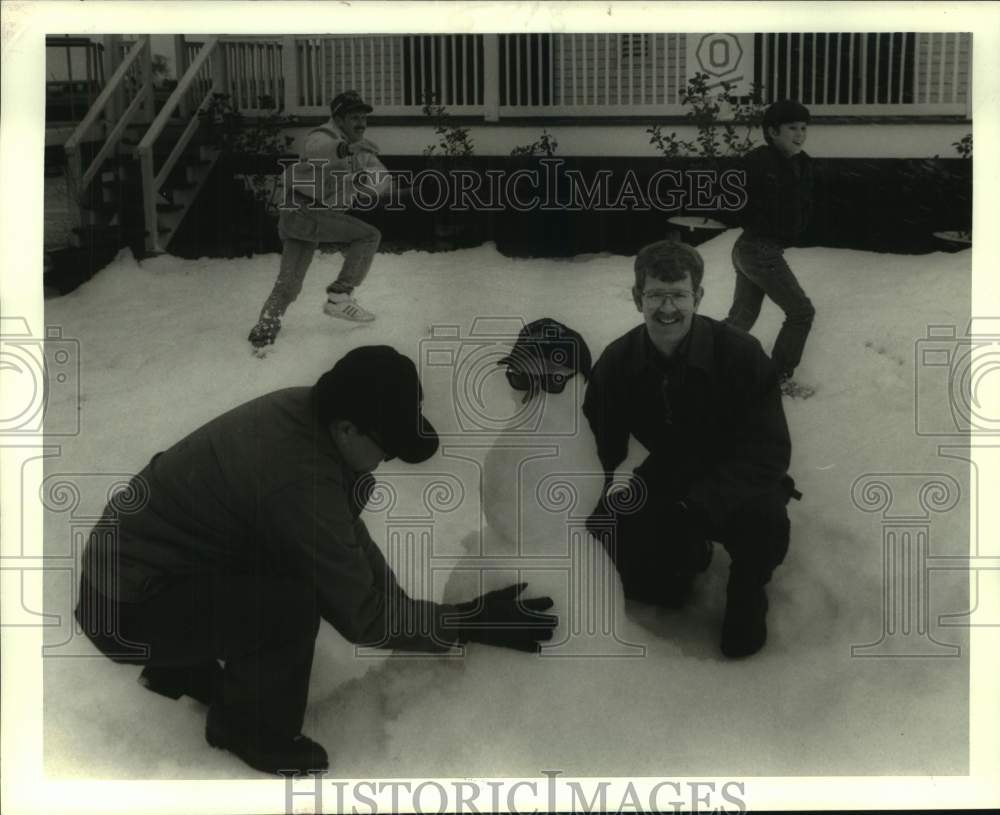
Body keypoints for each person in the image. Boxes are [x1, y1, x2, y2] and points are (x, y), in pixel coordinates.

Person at [75, 345, 557, 775]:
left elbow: (343, 543)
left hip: (142, 575)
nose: (388, 459)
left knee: (288, 566)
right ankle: (246, 729)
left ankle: (179, 664)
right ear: (348, 428)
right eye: (386, 446)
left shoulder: (310, 415)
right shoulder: (298, 480)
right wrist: (465, 623)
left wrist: (418, 613)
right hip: (126, 608)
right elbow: (362, 617)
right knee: (289, 609)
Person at [583, 240, 798, 658]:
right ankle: (684, 558)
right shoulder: (618, 361)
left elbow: (769, 451)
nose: (667, 308)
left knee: (766, 525)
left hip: (738, 478)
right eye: (655, 296)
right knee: (648, 581)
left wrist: (699, 505)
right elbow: (600, 447)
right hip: (667, 476)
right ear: (637, 298)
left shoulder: (741, 354)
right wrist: (601, 511)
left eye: (679, 295)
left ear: (697, 297)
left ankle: (747, 587)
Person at [248, 90, 391, 352]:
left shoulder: (362, 149)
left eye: (363, 118)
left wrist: (367, 182)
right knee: (369, 236)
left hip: (301, 217)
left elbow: (382, 177)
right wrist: (347, 149)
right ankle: (339, 295)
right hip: (304, 211)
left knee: (289, 283)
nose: (361, 123)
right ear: (338, 119)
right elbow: (318, 152)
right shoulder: (324, 136)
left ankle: (264, 331)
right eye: (354, 117)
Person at [725, 99, 815, 397]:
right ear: (772, 132)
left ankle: (703, 357)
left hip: (753, 250)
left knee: (742, 319)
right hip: (759, 249)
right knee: (801, 312)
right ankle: (778, 378)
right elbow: (735, 199)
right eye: (792, 128)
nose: (800, 134)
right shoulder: (760, 162)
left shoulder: (801, 164)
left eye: (803, 128)